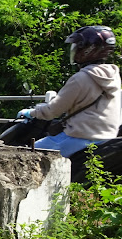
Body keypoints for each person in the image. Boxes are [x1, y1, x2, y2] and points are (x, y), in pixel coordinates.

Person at [17, 25, 120, 157]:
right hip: (106, 139)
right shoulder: (113, 76)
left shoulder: (81, 78)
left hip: (79, 138)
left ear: (88, 49)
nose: (75, 51)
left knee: (24, 155)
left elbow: (52, 111)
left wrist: (31, 112)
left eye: (78, 47)